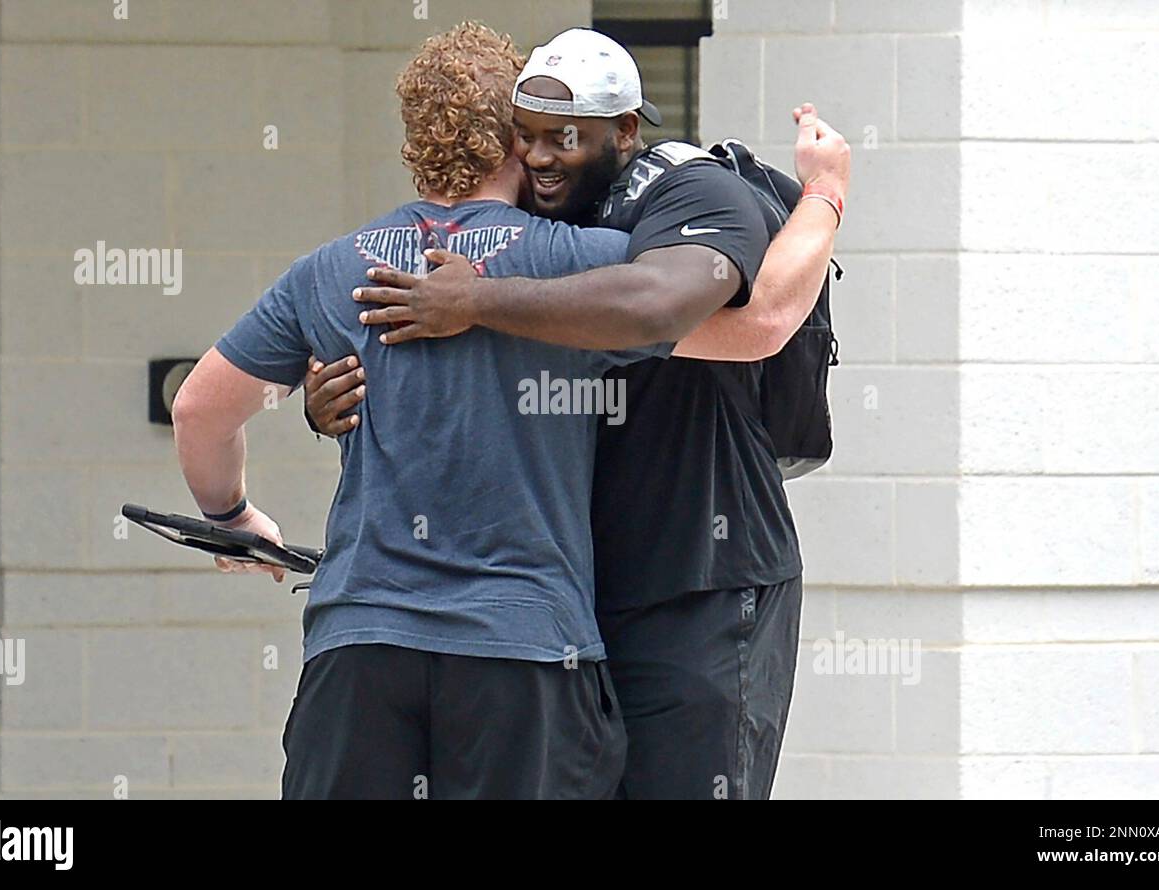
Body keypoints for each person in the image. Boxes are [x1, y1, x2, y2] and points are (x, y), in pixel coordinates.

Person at [309, 27, 852, 799]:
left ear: (625, 130)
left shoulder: (688, 190)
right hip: (565, 604)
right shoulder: (517, 224)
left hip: (697, 581)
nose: (537, 156)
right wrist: (335, 396)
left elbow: (741, 320)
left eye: (562, 137)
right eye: (523, 135)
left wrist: (825, 196)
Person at [170, 22, 678, 799]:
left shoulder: (330, 272)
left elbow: (199, 410)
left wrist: (233, 517)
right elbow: (732, 324)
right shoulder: (581, 264)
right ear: (517, 137)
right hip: (526, 650)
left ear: (415, 142)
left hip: (361, 646)